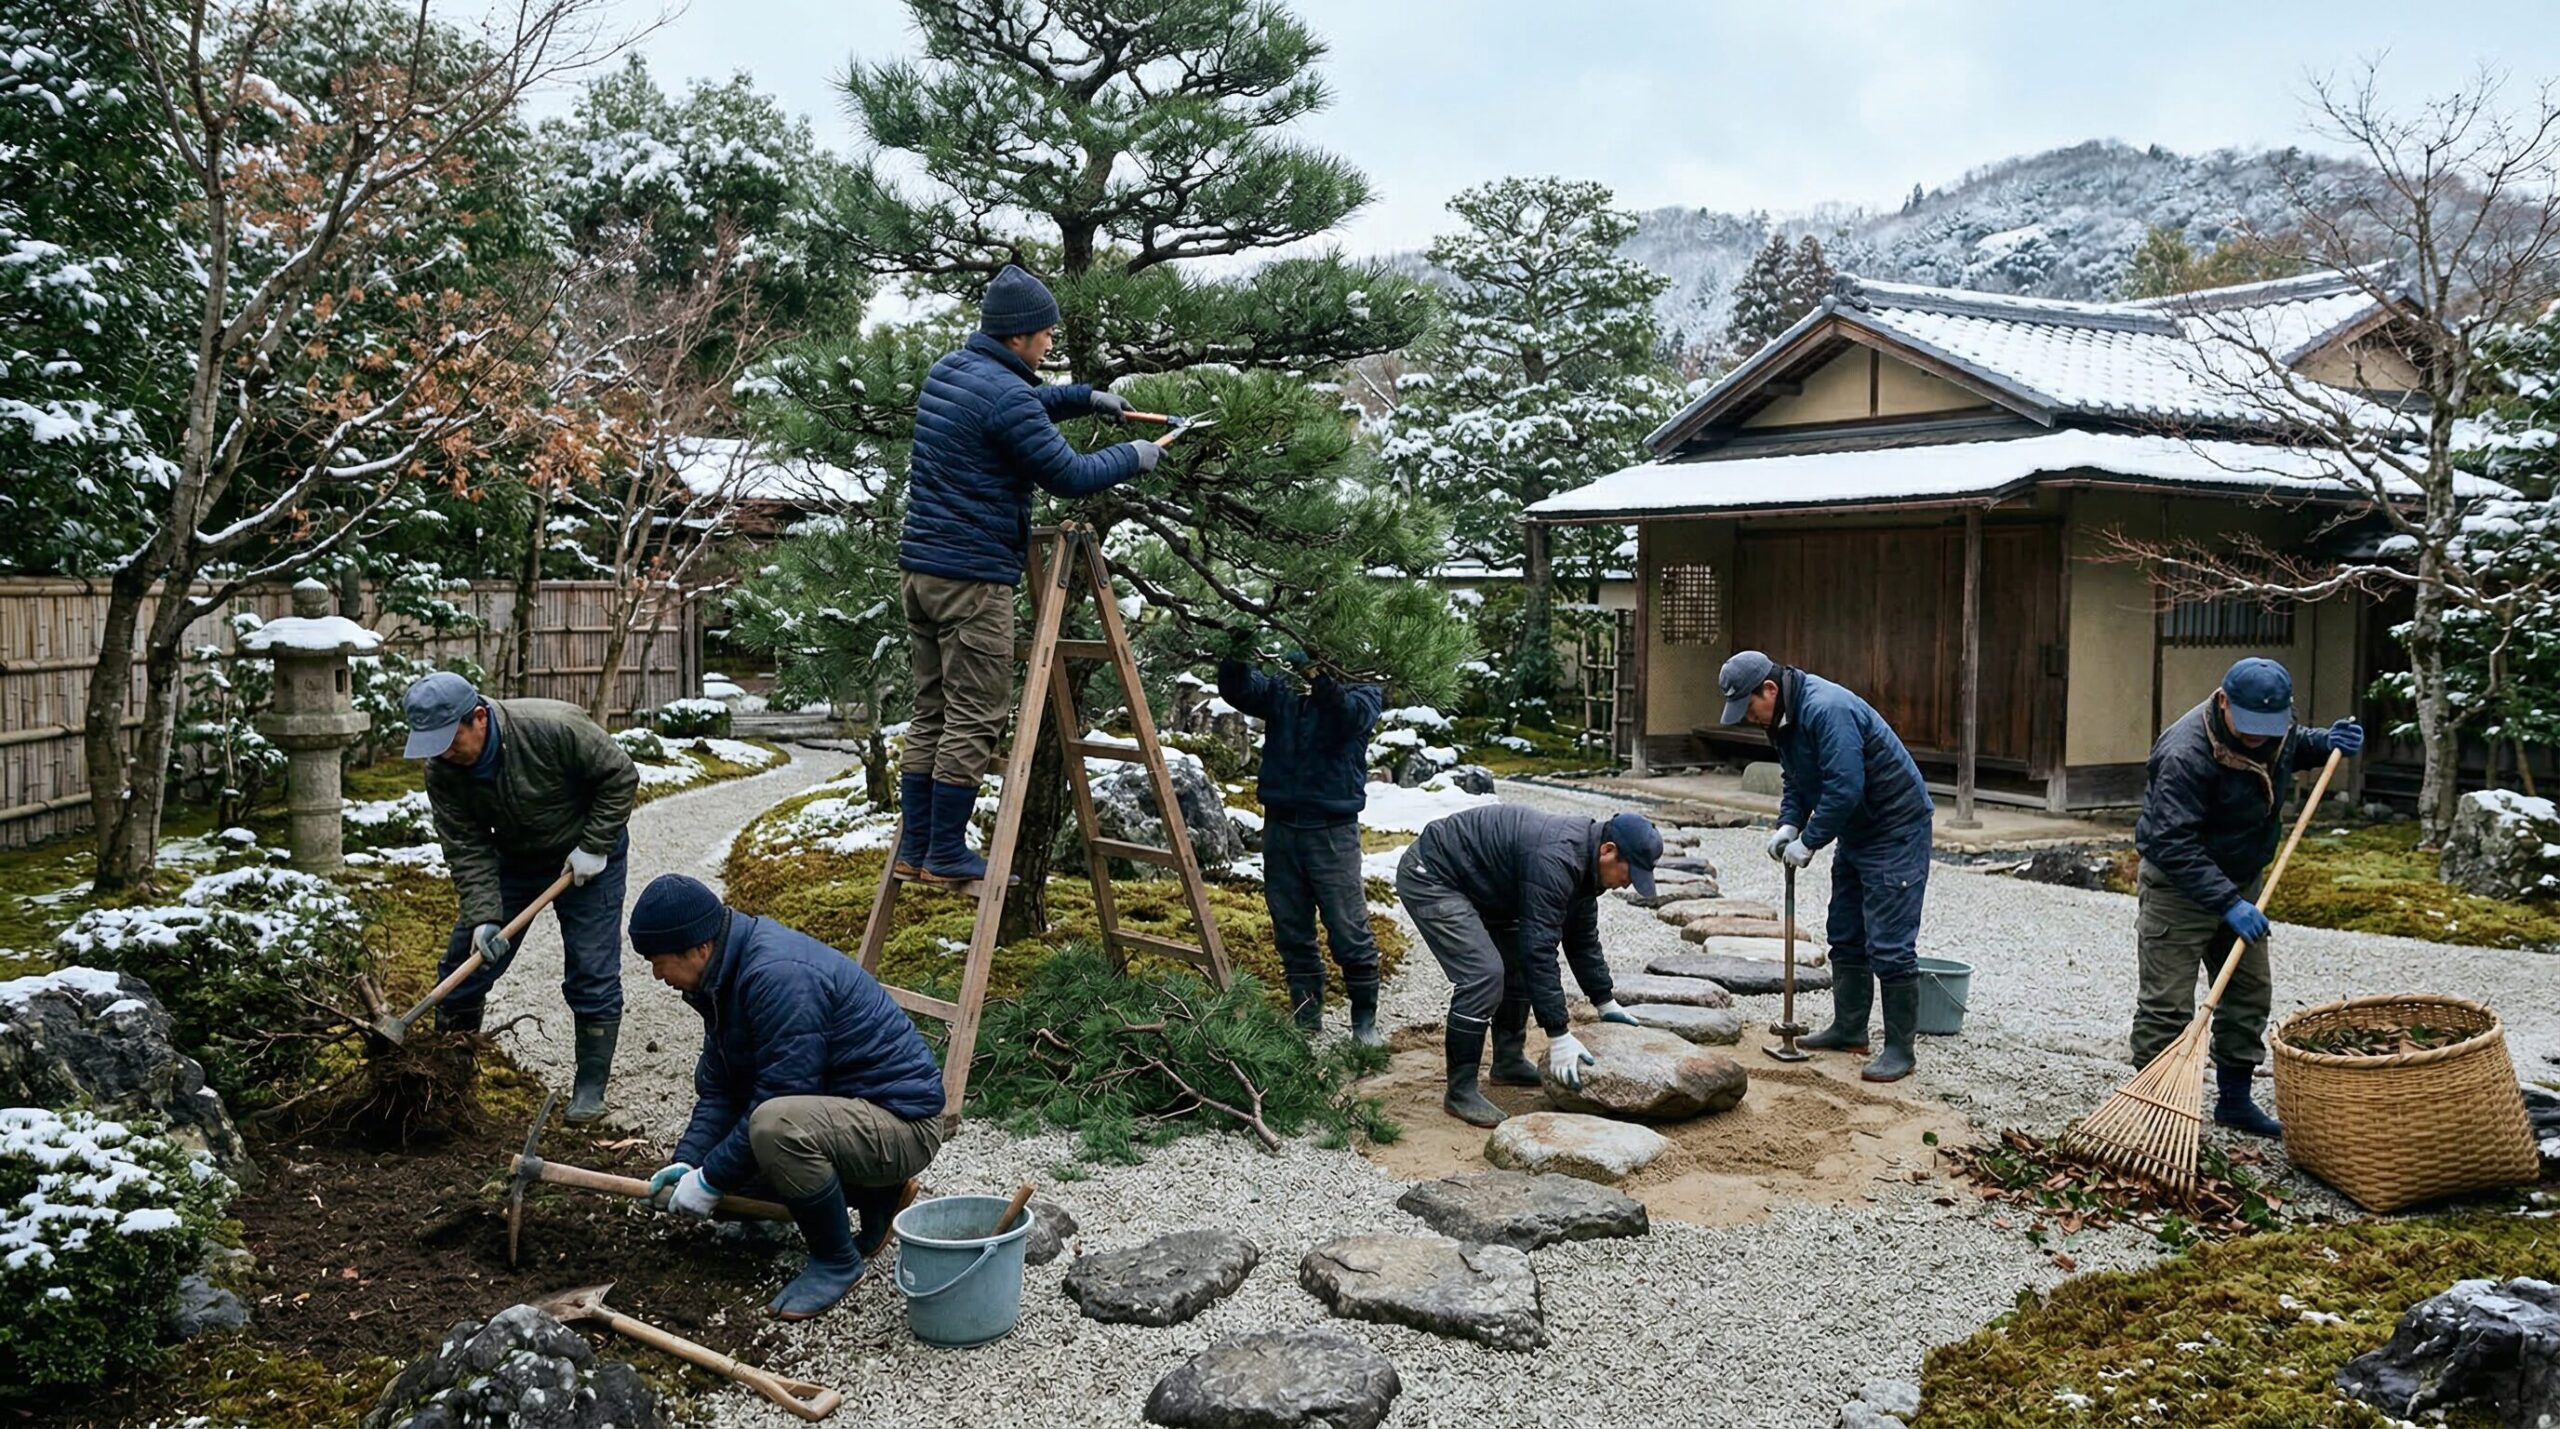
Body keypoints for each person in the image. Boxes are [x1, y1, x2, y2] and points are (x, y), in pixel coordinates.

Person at [894, 263, 1168, 886]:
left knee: (932, 709)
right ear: (1016, 335)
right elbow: (1068, 475)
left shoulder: (951, 371)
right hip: (972, 579)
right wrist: (1134, 456)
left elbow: (1018, 408)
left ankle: (915, 847)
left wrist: (1085, 397)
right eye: (1044, 332)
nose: (1050, 341)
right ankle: (944, 852)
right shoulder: (1005, 394)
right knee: (976, 714)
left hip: (922, 573)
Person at [631, 874, 948, 1321]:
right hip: (850, 1115)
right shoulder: (721, 979)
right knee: (731, 1169)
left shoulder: (777, 976)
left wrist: (711, 1179)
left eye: (658, 961)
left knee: (773, 1129)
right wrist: (690, 1163)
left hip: (903, 1125)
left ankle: (836, 1261)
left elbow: (784, 1094)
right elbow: (721, 1089)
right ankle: (877, 1194)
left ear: (699, 948)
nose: (656, 975)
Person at [2132, 657, 2361, 1137]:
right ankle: (2154, 1107)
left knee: (2249, 993)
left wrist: (2327, 743)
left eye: (2269, 726)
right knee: (2167, 1005)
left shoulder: (2274, 725)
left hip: (2241, 880)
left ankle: (2234, 1102)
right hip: (2179, 886)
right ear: (2223, 702)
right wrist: (2227, 903)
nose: (2259, 736)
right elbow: (2172, 842)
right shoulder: (2184, 753)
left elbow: (2293, 744)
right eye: (2250, 725)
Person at [405, 672, 637, 1123]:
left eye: (450, 742)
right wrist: (483, 917)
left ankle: (590, 1090)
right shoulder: (443, 770)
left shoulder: (553, 727)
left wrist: (594, 845)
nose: (444, 755)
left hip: (585, 855)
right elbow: (466, 845)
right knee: (464, 965)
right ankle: (448, 1082)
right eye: (433, 746)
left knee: (592, 969)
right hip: (513, 859)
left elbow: (620, 776)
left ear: (478, 718)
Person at [1718, 649, 1936, 1083]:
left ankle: (1900, 1050)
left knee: (1889, 943)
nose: (1748, 717)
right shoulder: (1782, 721)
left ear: (1769, 689)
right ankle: (1850, 1029)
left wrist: (1811, 840)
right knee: (1845, 930)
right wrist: (1789, 823)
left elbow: (1845, 786)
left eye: (1749, 707)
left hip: (1894, 828)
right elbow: (1797, 780)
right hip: (1857, 828)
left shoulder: (1826, 709)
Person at [1396, 804, 1661, 1127]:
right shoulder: (1557, 859)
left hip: (1486, 885)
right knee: (1483, 975)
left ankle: (1507, 1063)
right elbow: (1539, 950)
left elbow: (1581, 940)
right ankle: (1460, 1091)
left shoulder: (1585, 867)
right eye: (1630, 874)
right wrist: (1558, 1034)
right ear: (1608, 851)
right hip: (1434, 874)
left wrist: (1605, 1000)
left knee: (1516, 965)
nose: (1628, 884)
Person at [1217, 641, 1387, 1046]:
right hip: (1281, 827)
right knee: (1291, 927)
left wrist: (1317, 675)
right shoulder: (1284, 689)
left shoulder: (1363, 689)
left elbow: (1348, 715)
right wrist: (1236, 652)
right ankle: (1306, 1018)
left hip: (1332, 830)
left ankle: (1365, 1022)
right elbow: (1240, 691)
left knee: (1348, 928)